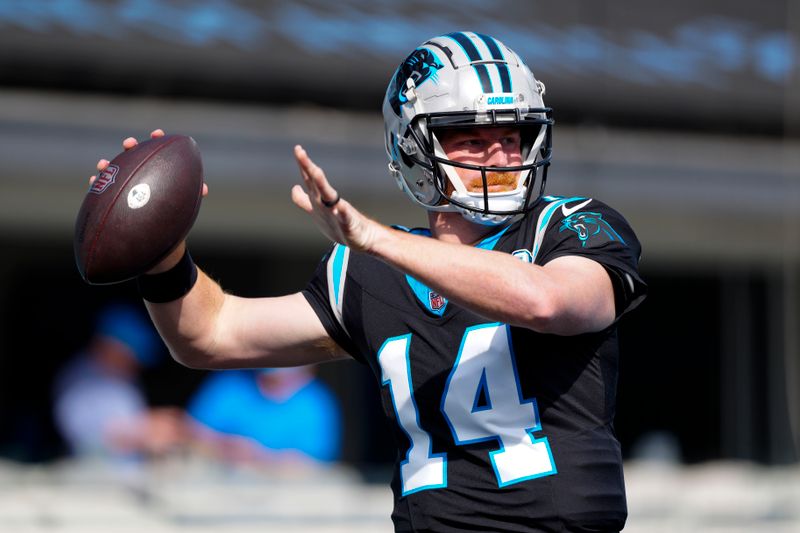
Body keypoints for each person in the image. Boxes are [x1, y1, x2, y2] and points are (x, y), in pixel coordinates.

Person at [91, 32, 646, 532]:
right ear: (415, 150)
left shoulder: (570, 225)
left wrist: (375, 237)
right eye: (472, 140)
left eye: (513, 135)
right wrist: (163, 251)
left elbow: (548, 301)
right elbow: (209, 335)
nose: (501, 155)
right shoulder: (364, 271)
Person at [53, 303, 188, 459]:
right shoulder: (78, 379)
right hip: (91, 477)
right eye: (131, 354)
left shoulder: (123, 380)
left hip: (128, 476)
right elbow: (81, 433)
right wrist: (143, 431)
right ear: (109, 345)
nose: (135, 364)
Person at [187, 366, 341, 464]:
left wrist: (258, 457)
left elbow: (314, 464)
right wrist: (224, 447)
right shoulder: (231, 383)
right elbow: (191, 434)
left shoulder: (315, 401)